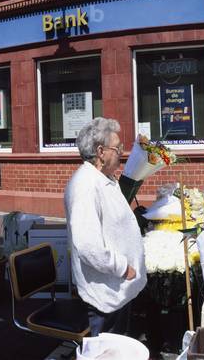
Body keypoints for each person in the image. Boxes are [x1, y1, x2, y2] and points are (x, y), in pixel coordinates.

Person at [66, 118, 145, 336]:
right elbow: (88, 246)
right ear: (101, 152)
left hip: (115, 288)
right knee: (106, 351)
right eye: (117, 148)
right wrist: (122, 268)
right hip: (105, 293)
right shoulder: (86, 186)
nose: (122, 152)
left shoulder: (103, 178)